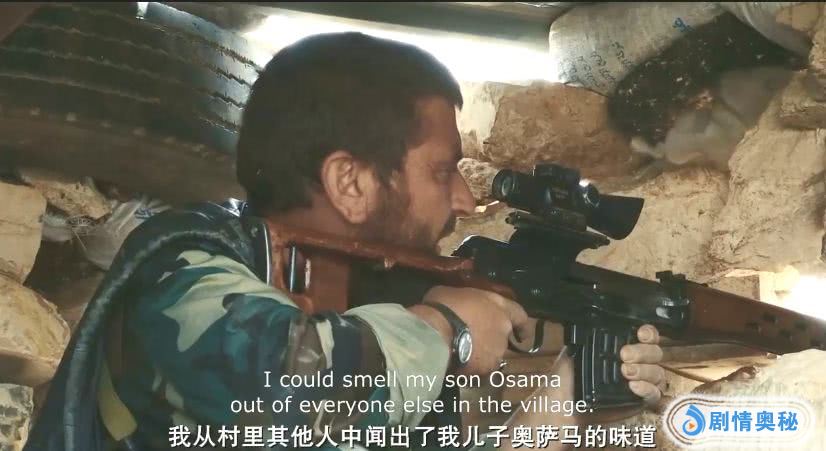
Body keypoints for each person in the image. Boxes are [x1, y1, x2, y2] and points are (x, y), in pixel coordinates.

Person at [25, 32, 665, 451]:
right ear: (350, 183)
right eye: (442, 171)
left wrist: (559, 406)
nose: (465, 202)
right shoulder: (182, 267)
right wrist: (448, 327)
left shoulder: (377, 324)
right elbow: (285, 385)